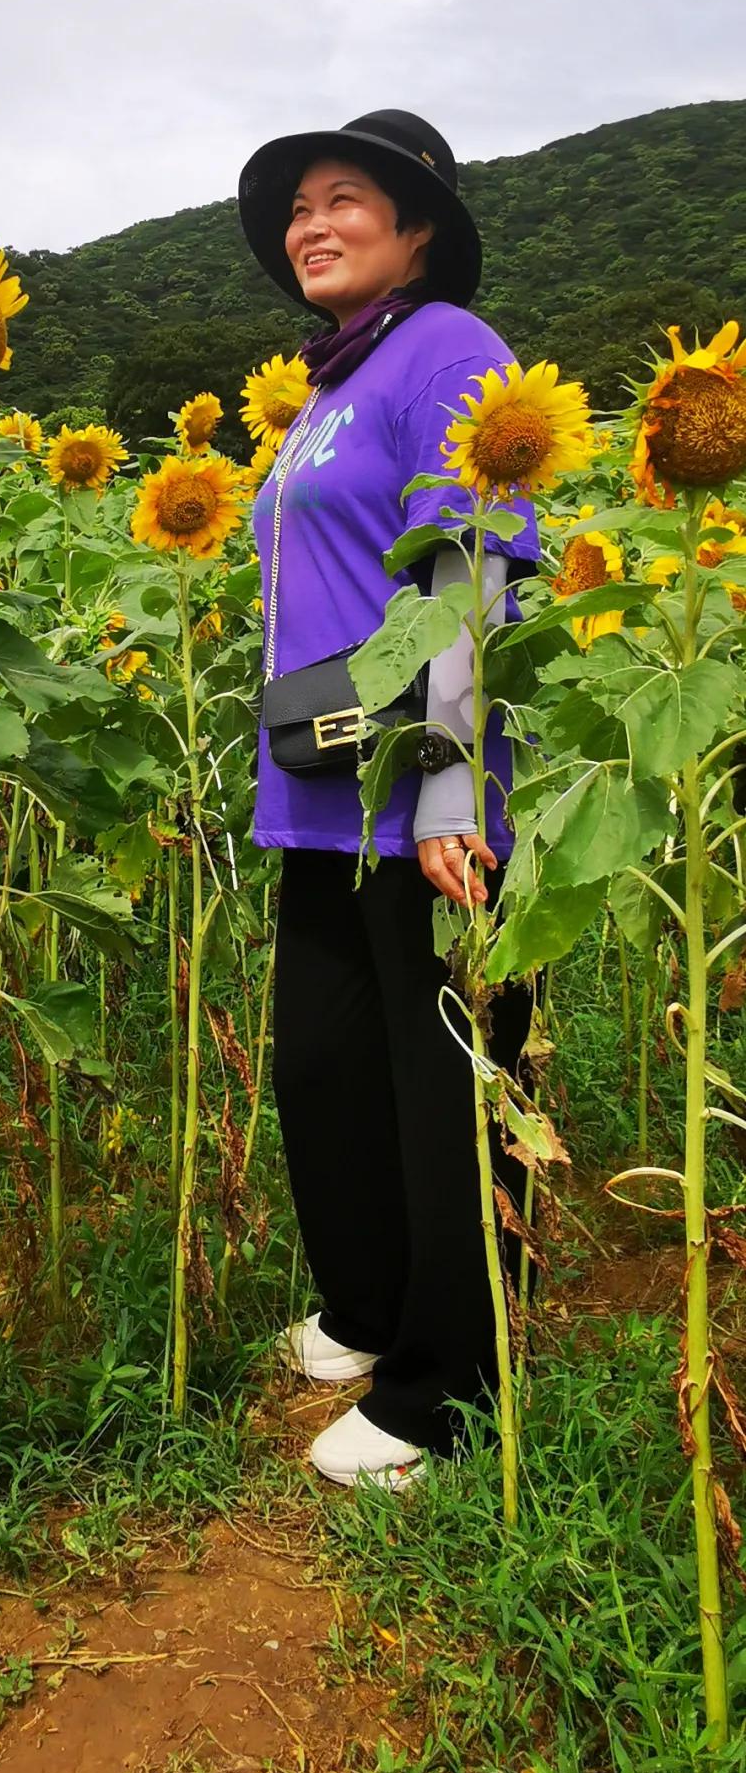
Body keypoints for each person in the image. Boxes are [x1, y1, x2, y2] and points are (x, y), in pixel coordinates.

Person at [237, 108, 540, 1490]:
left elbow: (473, 561)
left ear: (417, 228)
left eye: (344, 198)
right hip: (319, 785)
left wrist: (449, 785)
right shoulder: (326, 384)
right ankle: (369, 1306)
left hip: (423, 787)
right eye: (299, 206)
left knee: (441, 1087)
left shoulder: (449, 351)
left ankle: (448, 1390)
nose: (311, 223)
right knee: (326, 1068)